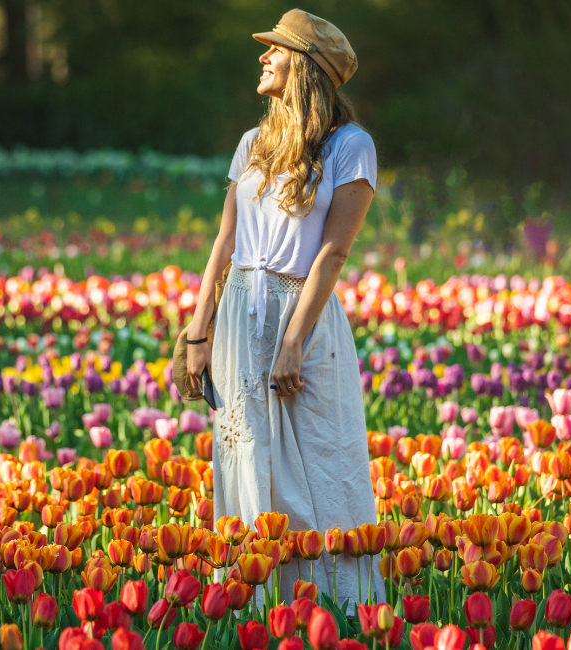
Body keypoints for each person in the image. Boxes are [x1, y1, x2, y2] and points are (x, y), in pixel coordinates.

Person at [183, 8, 384, 612]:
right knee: (246, 453)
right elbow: (226, 242)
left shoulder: (351, 147)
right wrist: (197, 330)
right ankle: (256, 602)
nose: (263, 56)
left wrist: (294, 338)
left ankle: (333, 607)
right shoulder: (254, 142)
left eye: (275, 49)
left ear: (304, 66)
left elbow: (334, 252)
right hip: (241, 313)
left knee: (316, 455)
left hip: (304, 315)